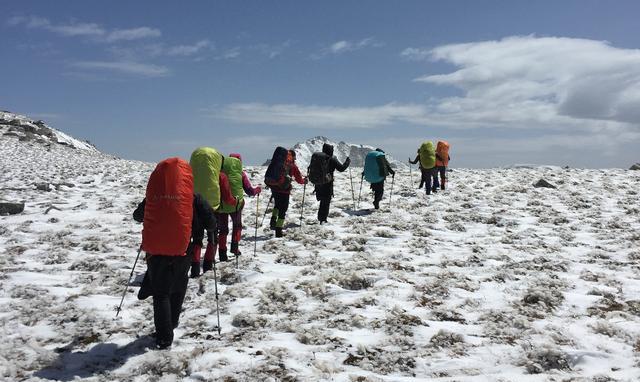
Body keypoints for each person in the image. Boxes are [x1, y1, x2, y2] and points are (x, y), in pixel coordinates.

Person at [133, 158, 216, 350]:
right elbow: (211, 223)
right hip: (184, 249)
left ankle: (164, 336)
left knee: (161, 293)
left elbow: (137, 216)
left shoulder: (154, 196)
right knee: (178, 287)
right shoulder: (194, 198)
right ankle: (171, 325)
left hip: (156, 251)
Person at [216, 153, 261, 258]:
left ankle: (222, 253)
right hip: (236, 205)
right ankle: (235, 248)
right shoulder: (241, 174)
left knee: (222, 230)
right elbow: (249, 191)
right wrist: (257, 190)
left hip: (222, 205)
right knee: (237, 226)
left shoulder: (220, 173)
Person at [269, 149, 306, 237]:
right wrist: (304, 181)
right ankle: (278, 230)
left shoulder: (278, 162)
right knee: (283, 210)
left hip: (274, 187)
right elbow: (299, 179)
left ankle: (273, 220)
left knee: (277, 205)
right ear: (292, 157)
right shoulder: (292, 166)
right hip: (284, 191)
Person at [314, 143, 350, 224]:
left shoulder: (318, 158)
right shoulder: (332, 159)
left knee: (322, 202)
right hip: (327, 184)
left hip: (318, 184)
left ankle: (320, 218)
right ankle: (323, 220)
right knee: (326, 202)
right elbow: (341, 168)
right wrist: (347, 162)